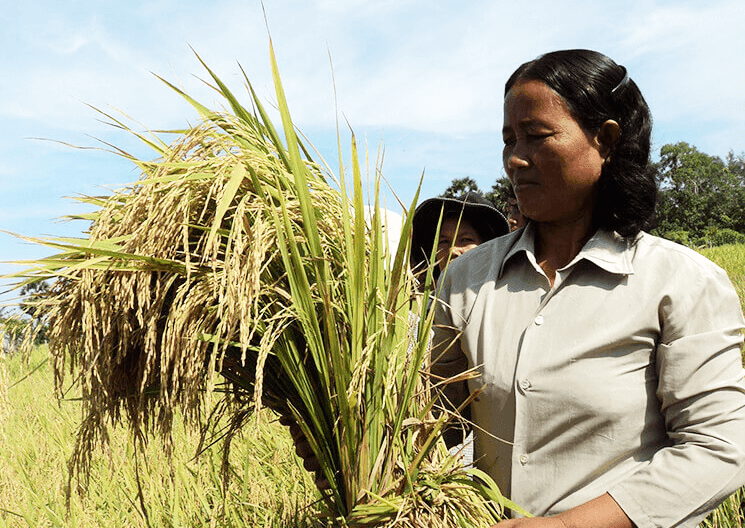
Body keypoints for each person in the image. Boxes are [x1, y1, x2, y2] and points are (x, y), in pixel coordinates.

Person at [431, 49, 745, 528]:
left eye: (536, 136)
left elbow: (720, 446)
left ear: (606, 139)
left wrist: (564, 525)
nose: (515, 159)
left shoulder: (679, 282)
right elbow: (433, 412)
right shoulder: (467, 279)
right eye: (509, 139)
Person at [411, 192, 510, 285]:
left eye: (465, 240)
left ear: (488, 246)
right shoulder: (430, 302)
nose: (452, 251)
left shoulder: (504, 299)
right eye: (444, 241)